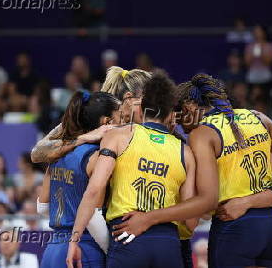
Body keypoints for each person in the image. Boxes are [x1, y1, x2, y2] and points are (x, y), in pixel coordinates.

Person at [113, 74, 272, 267]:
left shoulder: (202, 134)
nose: (180, 126)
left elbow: (207, 201)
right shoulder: (258, 117)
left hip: (235, 228)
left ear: (189, 108)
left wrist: (148, 218)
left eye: (180, 117)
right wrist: (263, 199)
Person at [66, 74, 202, 268]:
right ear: (171, 113)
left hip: (126, 237)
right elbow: (191, 222)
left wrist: (74, 240)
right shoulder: (185, 152)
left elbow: (94, 189)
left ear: (143, 106)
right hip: (168, 244)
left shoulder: (118, 136)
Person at [39, 91, 120, 268]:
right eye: (119, 117)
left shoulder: (59, 153)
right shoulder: (98, 157)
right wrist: (113, 254)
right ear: (106, 122)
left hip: (53, 250)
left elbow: (42, 206)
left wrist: (66, 214)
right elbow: (92, 217)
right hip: (84, 250)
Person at [30, 66, 151, 164]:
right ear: (129, 99)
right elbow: (37, 153)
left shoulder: (144, 127)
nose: (153, 108)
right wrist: (83, 138)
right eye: (147, 101)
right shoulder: (90, 112)